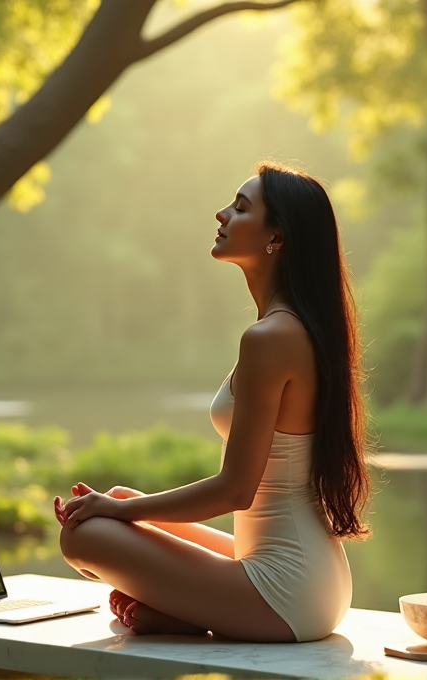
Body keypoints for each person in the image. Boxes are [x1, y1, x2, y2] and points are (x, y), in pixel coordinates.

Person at [52, 162, 372, 643]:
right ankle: (184, 609)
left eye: (241, 207)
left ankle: (187, 608)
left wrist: (119, 518)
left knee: (86, 534)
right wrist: (122, 509)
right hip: (311, 580)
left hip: (286, 592)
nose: (221, 214)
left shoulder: (272, 337)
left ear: (277, 238)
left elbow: (234, 491)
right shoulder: (294, 326)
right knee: (116, 500)